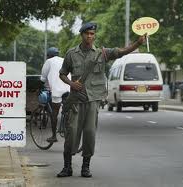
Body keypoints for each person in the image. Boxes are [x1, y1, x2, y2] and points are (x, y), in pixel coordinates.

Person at [57, 22, 146, 178]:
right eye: (87, 34)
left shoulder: (102, 53)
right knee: (71, 133)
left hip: (93, 99)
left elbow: (121, 52)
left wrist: (137, 43)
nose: (90, 36)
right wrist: (71, 83)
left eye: (92, 34)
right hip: (77, 100)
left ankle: (85, 167)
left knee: (90, 133)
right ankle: (67, 167)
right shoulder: (71, 54)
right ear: (82, 35)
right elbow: (62, 73)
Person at [40, 47, 70, 143]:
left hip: (57, 90)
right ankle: (68, 128)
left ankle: (53, 136)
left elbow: (43, 78)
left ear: (48, 55)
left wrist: (41, 84)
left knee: (55, 112)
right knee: (67, 109)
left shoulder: (49, 61)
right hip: (69, 88)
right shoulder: (64, 60)